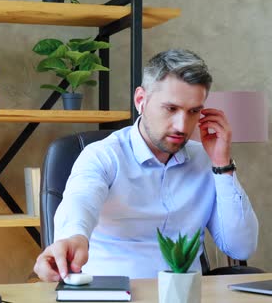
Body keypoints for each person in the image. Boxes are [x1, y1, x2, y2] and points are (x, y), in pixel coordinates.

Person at [33, 49, 259, 281]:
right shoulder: (103, 155)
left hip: (185, 295)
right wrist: (74, 237)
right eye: (171, 109)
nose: (182, 126)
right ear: (141, 100)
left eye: (193, 111)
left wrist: (222, 165)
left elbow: (241, 248)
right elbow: (81, 202)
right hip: (113, 294)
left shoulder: (206, 161)